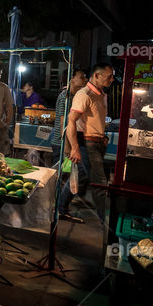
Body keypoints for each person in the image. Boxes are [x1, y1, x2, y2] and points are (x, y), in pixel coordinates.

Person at [61, 63, 115, 222]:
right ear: (97, 76)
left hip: (97, 142)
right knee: (100, 182)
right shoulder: (84, 94)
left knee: (81, 177)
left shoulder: (101, 94)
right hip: (86, 143)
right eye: (109, 76)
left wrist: (102, 136)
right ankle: (106, 221)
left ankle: (61, 209)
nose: (112, 79)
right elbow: (71, 122)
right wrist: (74, 148)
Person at [50, 68, 88, 218]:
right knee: (59, 176)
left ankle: (60, 206)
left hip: (69, 142)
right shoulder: (64, 97)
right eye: (81, 77)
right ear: (71, 79)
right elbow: (62, 122)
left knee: (68, 175)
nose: (84, 79)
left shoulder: (76, 96)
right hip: (61, 142)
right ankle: (56, 207)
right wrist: (67, 145)